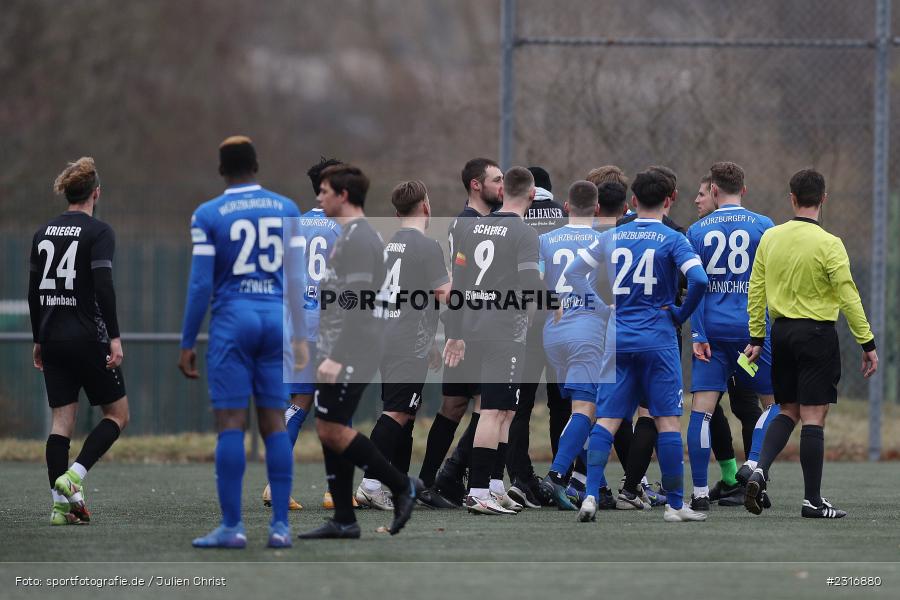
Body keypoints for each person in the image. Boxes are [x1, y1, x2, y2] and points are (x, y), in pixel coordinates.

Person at [180, 136, 307, 548]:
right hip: (275, 321)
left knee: (231, 424)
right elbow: (296, 281)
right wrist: (301, 334)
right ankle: (281, 528)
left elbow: (200, 284)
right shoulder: (287, 208)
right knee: (274, 422)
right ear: (256, 166)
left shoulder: (207, 214)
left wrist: (187, 341)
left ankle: (232, 528)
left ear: (222, 170)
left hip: (233, 320)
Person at [566, 168, 709, 523]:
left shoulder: (612, 235)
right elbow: (699, 280)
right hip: (658, 340)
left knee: (608, 420)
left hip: (618, 339)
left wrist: (602, 308)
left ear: (632, 201)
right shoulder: (674, 238)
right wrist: (679, 314)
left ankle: (589, 497)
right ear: (669, 200)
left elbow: (572, 274)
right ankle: (676, 506)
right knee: (667, 422)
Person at [743, 169, 877, 518]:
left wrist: (757, 336)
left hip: (781, 333)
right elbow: (848, 295)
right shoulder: (829, 243)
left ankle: (759, 468)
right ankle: (812, 501)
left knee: (788, 409)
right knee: (814, 417)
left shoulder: (770, 238)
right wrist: (867, 342)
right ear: (824, 200)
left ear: (792, 198)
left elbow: (756, 290)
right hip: (816, 335)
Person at [298, 164, 420, 539]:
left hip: (354, 349)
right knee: (327, 428)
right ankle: (345, 521)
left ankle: (402, 485)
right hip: (339, 347)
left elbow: (360, 305)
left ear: (343, 196)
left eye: (324, 191)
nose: (320, 198)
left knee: (332, 429)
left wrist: (337, 355)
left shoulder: (360, 239)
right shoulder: (349, 236)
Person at [30, 157, 130, 526]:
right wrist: (115, 338)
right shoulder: (98, 231)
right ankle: (75, 477)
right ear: (96, 194)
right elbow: (103, 284)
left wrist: (38, 336)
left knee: (61, 423)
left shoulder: (42, 233)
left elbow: (33, 291)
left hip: (52, 336)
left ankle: (60, 507)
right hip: (88, 337)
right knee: (118, 415)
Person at [443, 166, 544, 515]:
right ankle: (478, 491)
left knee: (504, 409)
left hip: (472, 328)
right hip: (503, 330)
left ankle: (495, 487)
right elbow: (531, 284)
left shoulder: (471, 228)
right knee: (492, 411)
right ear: (531, 195)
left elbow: (457, 284)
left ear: (504, 192)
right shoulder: (525, 233)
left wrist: (454, 334)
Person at [685, 162, 777, 511]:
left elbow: (696, 285)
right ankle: (753, 465)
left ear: (715, 191)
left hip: (712, 332)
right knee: (775, 403)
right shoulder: (764, 226)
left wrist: (698, 332)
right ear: (744, 189)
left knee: (702, 413)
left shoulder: (697, 230)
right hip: (753, 333)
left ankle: (697, 494)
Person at [355, 180, 450, 509]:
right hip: (406, 340)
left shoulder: (389, 244)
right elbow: (445, 293)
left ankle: (396, 483)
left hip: (390, 336)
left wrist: (430, 343)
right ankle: (369, 482)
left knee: (405, 414)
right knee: (396, 413)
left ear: (397, 213)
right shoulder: (428, 246)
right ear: (426, 205)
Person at [417, 158, 503, 508]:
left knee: (457, 406)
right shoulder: (467, 224)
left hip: (472, 326)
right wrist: (455, 330)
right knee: (481, 407)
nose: (501, 186)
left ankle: (434, 480)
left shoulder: (487, 223)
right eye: (496, 180)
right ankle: (445, 477)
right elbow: (459, 284)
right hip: (472, 328)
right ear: (475, 185)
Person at [261, 157, 344, 512]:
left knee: (300, 402)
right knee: (338, 406)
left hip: (296, 326)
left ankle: (272, 485)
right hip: (329, 326)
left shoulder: (294, 224)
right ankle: (334, 491)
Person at [538, 180, 617, 515]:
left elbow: (537, 284)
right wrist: (605, 312)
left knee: (578, 414)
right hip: (587, 330)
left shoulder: (545, 239)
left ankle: (587, 482)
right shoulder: (603, 240)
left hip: (552, 331)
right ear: (597, 209)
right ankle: (557, 476)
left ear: (566, 207)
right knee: (585, 412)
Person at [505, 166, 568, 509]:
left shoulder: (514, 218)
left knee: (519, 405)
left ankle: (520, 477)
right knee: (563, 404)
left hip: (523, 322)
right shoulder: (563, 214)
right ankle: (561, 476)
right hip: (561, 323)